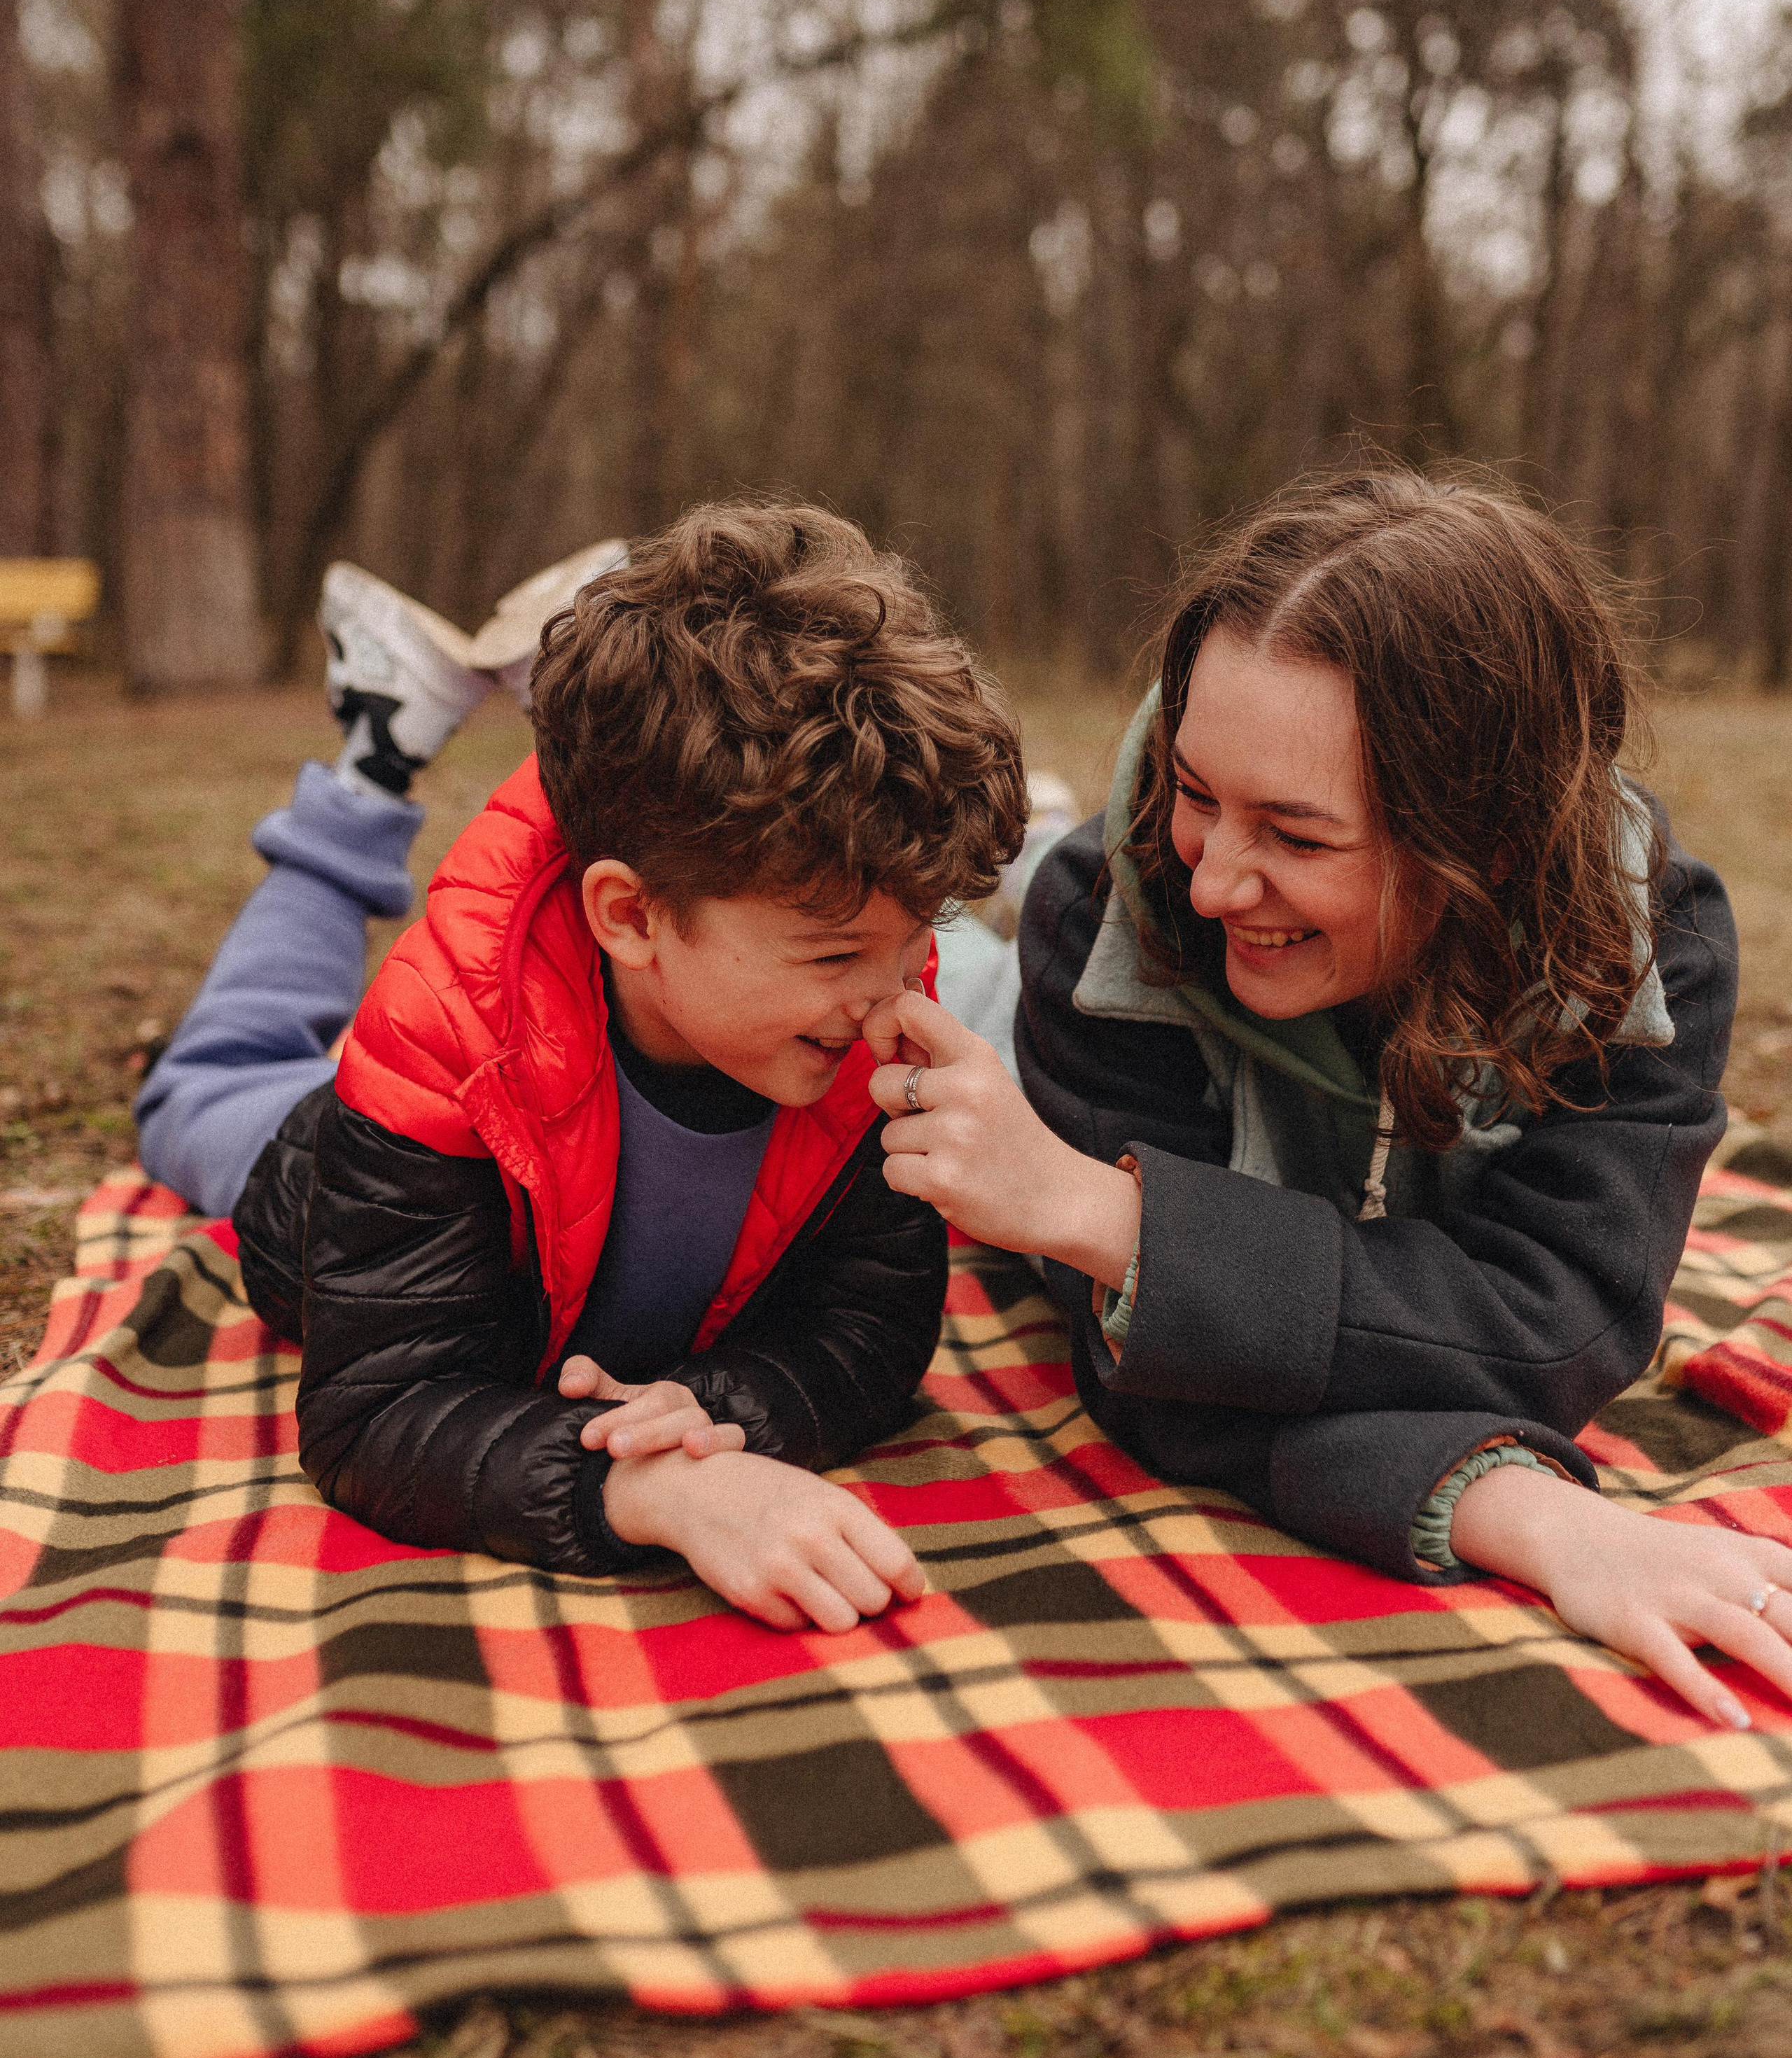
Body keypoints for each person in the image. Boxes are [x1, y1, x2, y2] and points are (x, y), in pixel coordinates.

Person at [864, 467, 1792, 1732]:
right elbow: (1160, 1384)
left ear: (1491, 845)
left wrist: (1114, 1219)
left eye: (1296, 835)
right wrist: (1522, 1512)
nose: (1213, 883)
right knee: (952, 967)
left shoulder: (1647, 952)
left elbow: (1549, 1332)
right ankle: (1024, 847)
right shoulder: (1110, 911)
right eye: (1198, 791)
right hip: (1023, 1015)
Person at [136, 505, 1029, 1632]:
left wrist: (718, 1409)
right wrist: (647, 1488)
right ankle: (372, 760)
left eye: (914, 943)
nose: (896, 997)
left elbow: (869, 1325)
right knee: (206, 1086)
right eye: (837, 954)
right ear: (631, 914)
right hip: (324, 1167)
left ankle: (560, 690)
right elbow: (379, 1412)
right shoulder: (441, 1045)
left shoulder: (858, 1013)